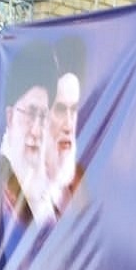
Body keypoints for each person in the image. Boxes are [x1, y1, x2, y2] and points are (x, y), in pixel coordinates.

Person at [0, 40, 58, 227]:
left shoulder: (46, 193)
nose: (36, 130)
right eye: (30, 114)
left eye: (43, 116)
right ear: (10, 117)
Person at [45, 36, 87, 216]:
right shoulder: (19, 191)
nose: (68, 125)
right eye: (61, 109)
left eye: (74, 109)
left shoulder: (80, 185)